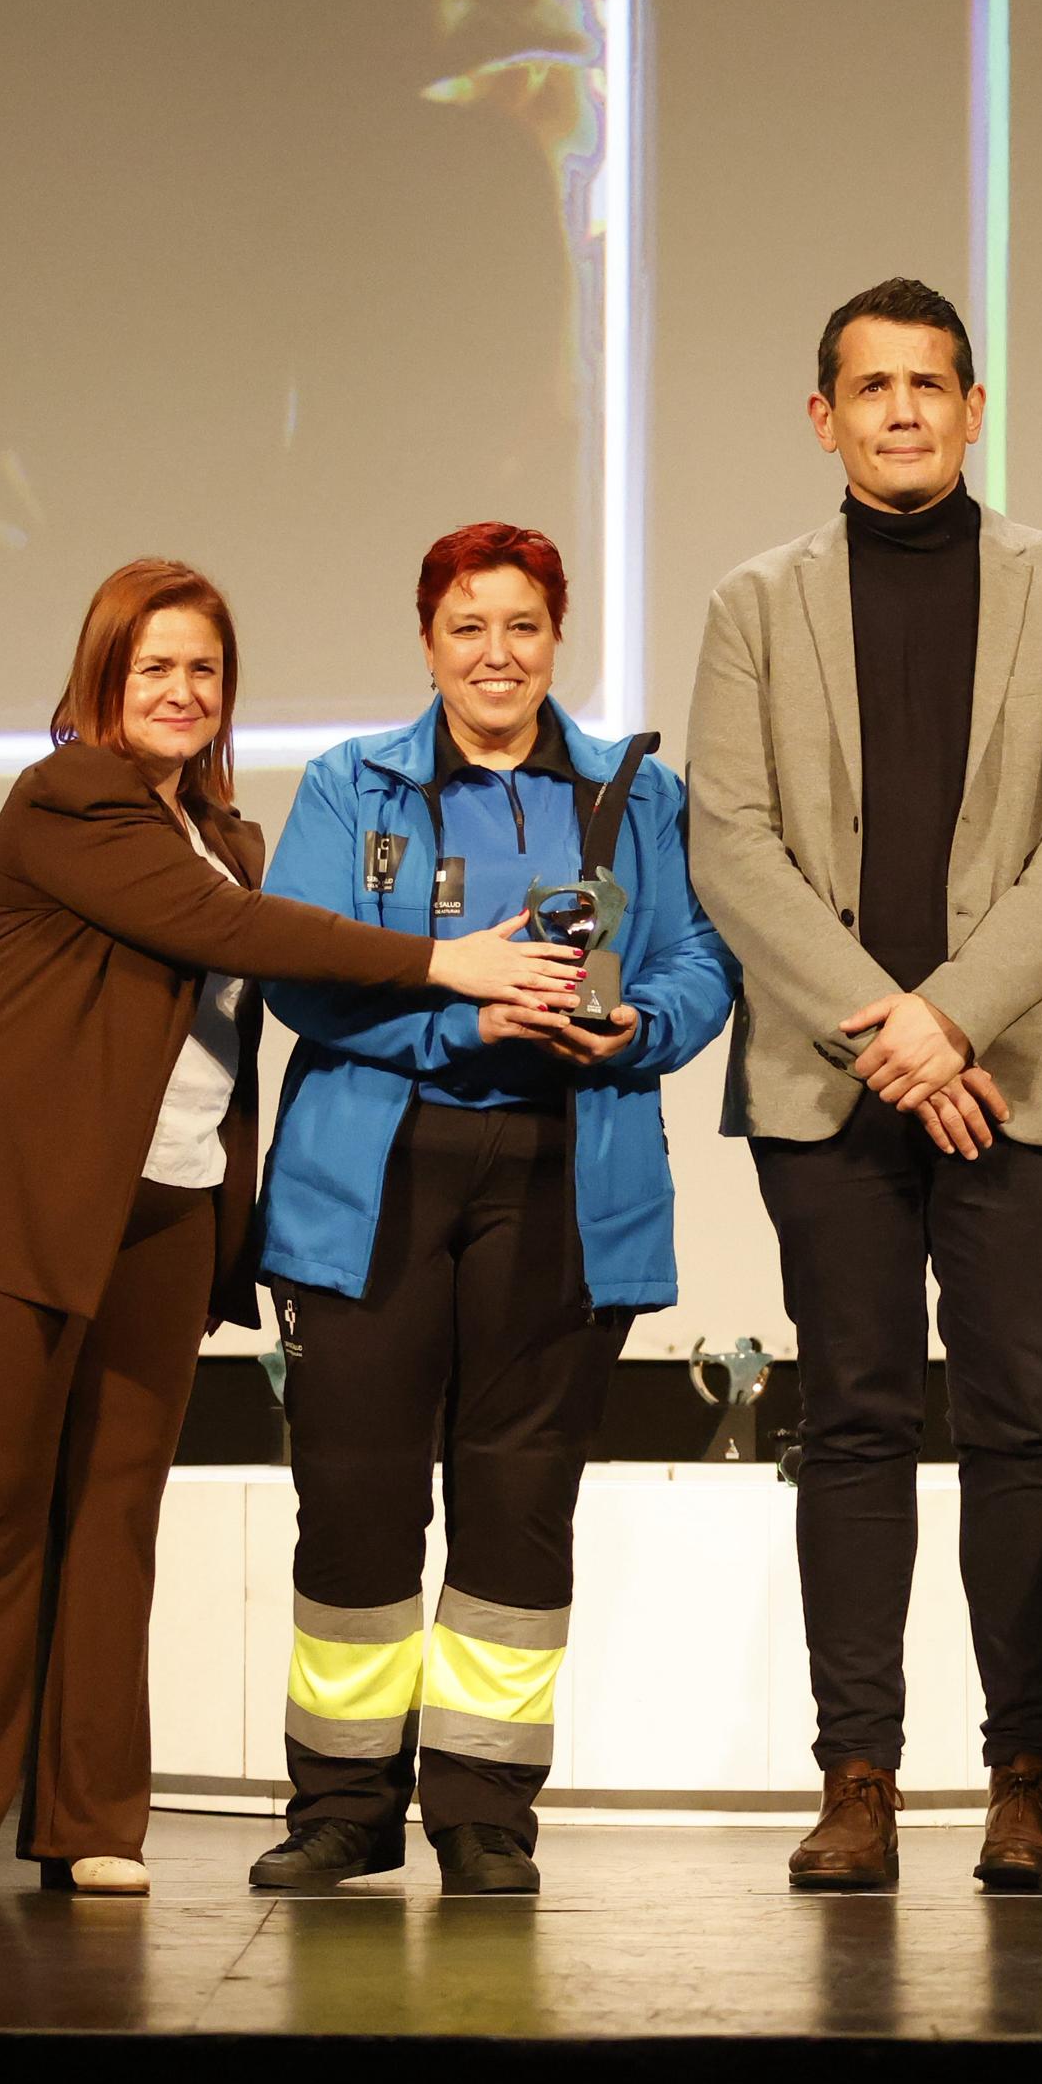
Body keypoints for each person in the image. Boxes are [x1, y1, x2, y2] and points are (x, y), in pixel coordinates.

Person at [0, 559, 582, 1896]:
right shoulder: (68, 799)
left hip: (165, 1209)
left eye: (203, 670)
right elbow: (228, 931)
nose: (182, 692)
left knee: (115, 1518)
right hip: (5, 1206)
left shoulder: (226, 829)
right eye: (155, 669)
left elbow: (226, 933)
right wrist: (446, 960)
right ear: (104, 684)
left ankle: (89, 1825)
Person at [689, 277, 1042, 1895]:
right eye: (871, 386)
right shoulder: (754, 603)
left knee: (1025, 1427)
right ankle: (859, 1779)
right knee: (856, 1422)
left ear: (974, 410)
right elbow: (726, 842)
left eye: (931, 383)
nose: (902, 410)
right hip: (831, 1093)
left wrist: (950, 1024)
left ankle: (1028, 1778)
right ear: (822, 415)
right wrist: (886, 1032)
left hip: (1024, 1077)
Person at [243, 521, 738, 1895]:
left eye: (522, 626)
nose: (497, 654)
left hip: (567, 1174)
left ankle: (485, 1815)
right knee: (355, 1494)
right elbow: (301, 970)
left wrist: (637, 1025)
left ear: (556, 637)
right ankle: (341, 1807)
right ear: (428, 642)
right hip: (378, 1179)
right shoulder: (356, 785)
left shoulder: (639, 794)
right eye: (469, 627)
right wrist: (457, 1008)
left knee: (519, 1505)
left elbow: (704, 956)